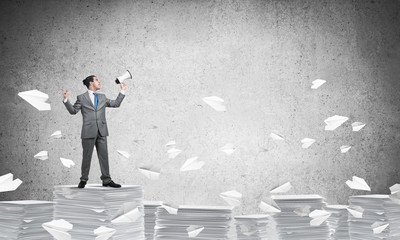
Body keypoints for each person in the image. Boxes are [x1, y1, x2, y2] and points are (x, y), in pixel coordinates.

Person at [62, 75, 126, 188]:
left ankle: (106, 180)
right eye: (97, 80)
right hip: (88, 131)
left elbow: (116, 104)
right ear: (91, 83)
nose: (99, 81)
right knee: (87, 157)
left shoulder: (102, 97)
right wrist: (66, 100)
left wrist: (122, 91)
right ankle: (83, 179)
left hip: (102, 131)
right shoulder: (81, 98)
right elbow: (73, 111)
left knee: (104, 156)